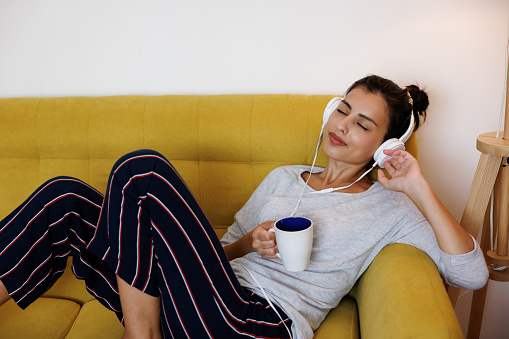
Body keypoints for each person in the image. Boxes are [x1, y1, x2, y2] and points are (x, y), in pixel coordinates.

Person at [0, 75, 489, 339]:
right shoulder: (282, 178)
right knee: (65, 197)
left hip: (257, 324)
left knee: (141, 171)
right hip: (200, 307)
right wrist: (244, 244)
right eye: (342, 108)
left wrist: (418, 185)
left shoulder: (390, 208)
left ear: (386, 146)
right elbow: (209, 256)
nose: (343, 125)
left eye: (363, 124)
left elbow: (471, 274)